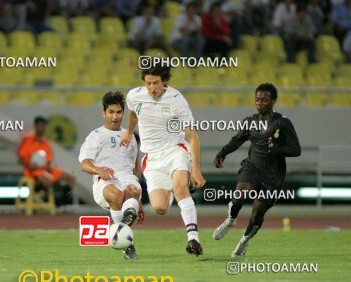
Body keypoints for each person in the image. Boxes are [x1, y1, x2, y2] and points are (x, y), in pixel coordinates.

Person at [119, 64, 206, 256]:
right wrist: (127, 132)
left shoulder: (176, 100)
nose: (152, 88)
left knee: (181, 188)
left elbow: (192, 136)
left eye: (156, 83)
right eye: (148, 83)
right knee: (159, 207)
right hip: (152, 158)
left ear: (164, 81)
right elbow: (133, 115)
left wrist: (196, 170)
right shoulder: (134, 96)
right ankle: (175, 188)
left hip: (175, 150)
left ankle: (193, 239)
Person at [212, 83, 301, 257]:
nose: (260, 103)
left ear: (274, 101)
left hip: (273, 176)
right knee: (238, 196)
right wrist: (222, 153)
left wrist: (277, 148)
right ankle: (230, 220)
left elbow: (296, 150)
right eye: (257, 99)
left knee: (257, 214)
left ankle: (244, 242)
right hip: (252, 167)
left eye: (264, 100)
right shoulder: (250, 121)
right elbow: (237, 140)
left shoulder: (282, 123)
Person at [79, 91, 145, 260]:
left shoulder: (129, 137)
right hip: (105, 181)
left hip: (127, 179)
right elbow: (84, 164)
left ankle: (125, 242)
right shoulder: (96, 136)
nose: (115, 116)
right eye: (111, 112)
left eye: (119, 112)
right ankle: (127, 243)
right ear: (104, 113)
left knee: (131, 190)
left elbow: (134, 170)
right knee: (117, 195)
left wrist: (139, 203)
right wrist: (98, 170)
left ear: (123, 113)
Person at [17, 116, 75, 188]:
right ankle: (40, 191)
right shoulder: (27, 140)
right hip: (33, 172)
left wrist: (49, 166)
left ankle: (65, 196)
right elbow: (21, 159)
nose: (42, 127)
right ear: (36, 126)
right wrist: (30, 166)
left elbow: (49, 161)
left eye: (44, 125)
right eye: (40, 125)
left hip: (46, 170)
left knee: (71, 176)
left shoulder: (46, 143)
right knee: (48, 179)